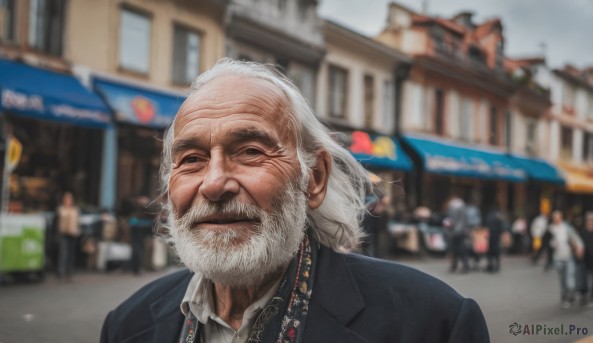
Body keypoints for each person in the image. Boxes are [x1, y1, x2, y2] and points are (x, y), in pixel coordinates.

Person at [100, 60, 489, 343]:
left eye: (251, 151)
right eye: (192, 160)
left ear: (314, 178)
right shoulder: (127, 326)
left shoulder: (430, 324)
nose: (214, 183)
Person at [548, 210, 584, 309]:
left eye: (558, 217)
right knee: (562, 280)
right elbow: (549, 244)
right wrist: (552, 242)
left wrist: (580, 248)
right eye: (555, 218)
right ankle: (564, 298)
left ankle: (570, 296)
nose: (557, 219)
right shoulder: (551, 229)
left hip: (568, 257)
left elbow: (576, 238)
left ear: (561, 218)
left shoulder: (567, 228)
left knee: (570, 281)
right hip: (557, 258)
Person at [56, 192, 80, 280]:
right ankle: (61, 271)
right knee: (63, 253)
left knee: (70, 254)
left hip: (73, 234)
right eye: (66, 199)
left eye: (69, 199)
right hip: (63, 233)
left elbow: (77, 222)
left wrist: (77, 231)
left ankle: (69, 271)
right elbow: (57, 221)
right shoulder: (61, 209)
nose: (68, 201)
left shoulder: (75, 210)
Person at [446, 196, 470, 273]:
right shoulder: (462, 208)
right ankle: (462, 266)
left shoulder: (453, 208)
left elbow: (454, 220)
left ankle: (457, 266)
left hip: (456, 232)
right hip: (459, 232)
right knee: (460, 250)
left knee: (458, 250)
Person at [580, 213, 593, 307]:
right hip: (584, 260)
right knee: (584, 279)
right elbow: (579, 244)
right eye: (588, 220)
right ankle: (585, 293)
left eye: (591, 220)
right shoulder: (583, 232)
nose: (590, 222)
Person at [484, 205, 506, 273]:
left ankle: (490, 265)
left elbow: (486, 225)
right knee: (496, 250)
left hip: (491, 235)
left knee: (490, 251)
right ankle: (497, 265)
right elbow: (501, 226)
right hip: (497, 235)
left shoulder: (489, 216)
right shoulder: (498, 216)